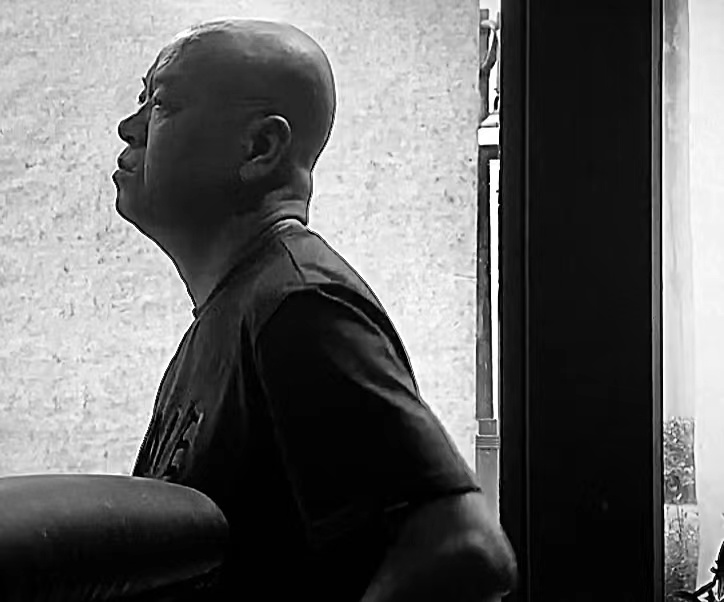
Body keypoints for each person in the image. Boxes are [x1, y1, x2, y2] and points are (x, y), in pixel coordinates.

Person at [112, 18, 516, 602]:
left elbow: (463, 549)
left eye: (161, 104)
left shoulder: (300, 306)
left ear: (259, 149)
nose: (129, 127)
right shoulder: (238, 311)